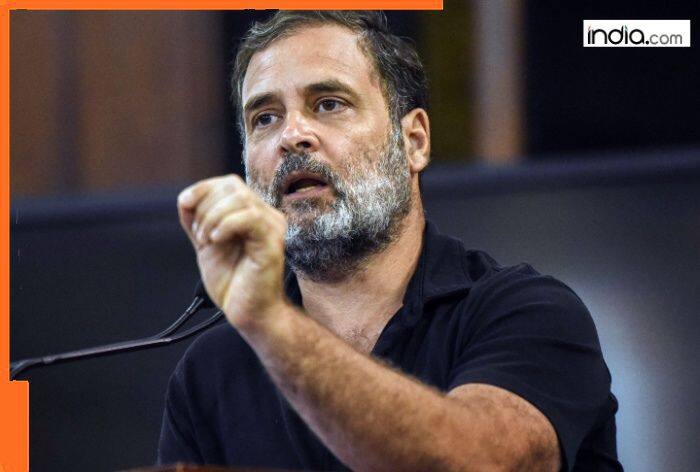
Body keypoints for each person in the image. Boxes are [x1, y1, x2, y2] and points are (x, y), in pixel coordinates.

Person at [158, 11, 621, 471]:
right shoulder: (210, 372)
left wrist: (271, 325)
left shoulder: (530, 312)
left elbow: (479, 464)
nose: (292, 135)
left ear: (414, 141)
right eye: (265, 118)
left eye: (329, 104)